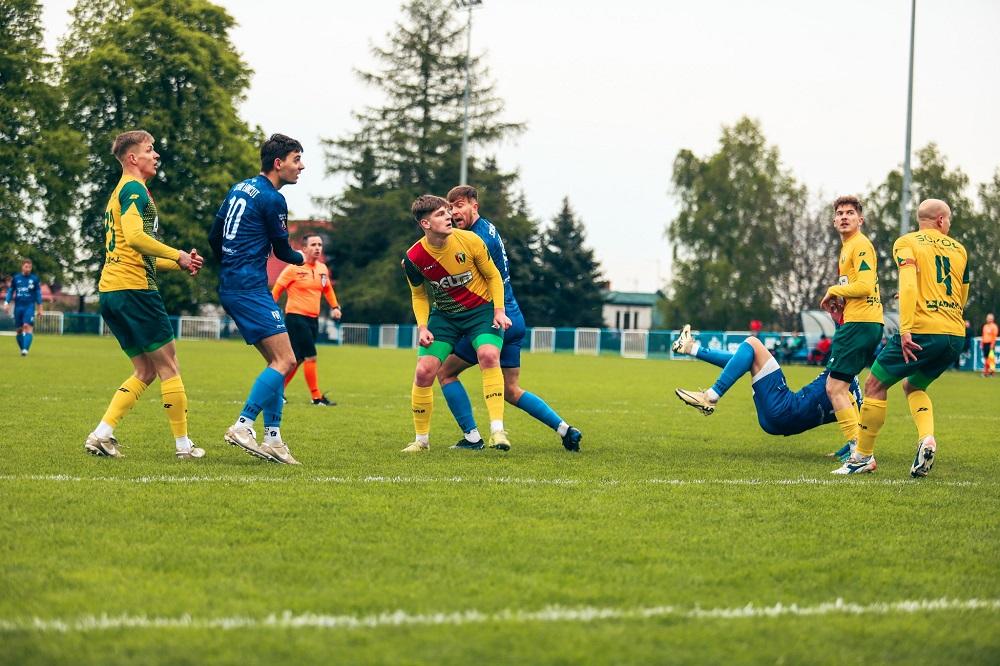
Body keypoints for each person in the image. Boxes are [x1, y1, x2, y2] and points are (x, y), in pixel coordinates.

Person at [85, 130, 205, 460]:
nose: (156, 155)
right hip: (135, 290)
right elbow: (137, 238)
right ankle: (183, 447)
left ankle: (101, 434)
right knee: (170, 367)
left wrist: (177, 263)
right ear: (132, 158)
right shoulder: (135, 189)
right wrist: (178, 253)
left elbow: (135, 250)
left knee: (146, 371)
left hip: (112, 292)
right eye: (150, 150)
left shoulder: (119, 193)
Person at [436, 185, 582, 452]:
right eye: (450, 207)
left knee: (445, 372)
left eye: (459, 206)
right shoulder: (486, 229)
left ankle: (472, 438)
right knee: (511, 390)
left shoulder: (476, 240)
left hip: (494, 319)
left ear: (474, 206)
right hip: (514, 316)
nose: (454, 212)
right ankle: (566, 430)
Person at [833, 199, 969, 476]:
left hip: (921, 330)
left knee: (874, 384)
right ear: (942, 221)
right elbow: (960, 294)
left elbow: (908, 286)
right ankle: (927, 439)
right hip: (955, 333)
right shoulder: (959, 250)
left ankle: (862, 457)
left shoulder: (906, 242)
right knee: (914, 386)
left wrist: (906, 329)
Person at [211, 133, 306, 465]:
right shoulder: (272, 198)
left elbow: (214, 234)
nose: (301, 166)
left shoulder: (240, 187)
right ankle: (243, 424)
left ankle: (274, 439)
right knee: (287, 361)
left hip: (233, 283)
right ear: (278, 164)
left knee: (277, 364)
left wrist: (229, 265)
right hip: (249, 286)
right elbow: (282, 250)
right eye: (297, 160)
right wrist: (300, 258)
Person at [400, 194, 511, 453]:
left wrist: (498, 310)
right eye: (440, 214)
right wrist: (423, 327)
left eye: (448, 211)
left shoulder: (471, 240)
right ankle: (421, 441)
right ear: (425, 224)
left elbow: (493, 275)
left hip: (481, 311)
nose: (449, 216)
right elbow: (418, 295)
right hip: (445, 317)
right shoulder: (414, 257)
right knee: (423, 371)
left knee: (488, 354)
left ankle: (497, 430)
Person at [672, 325, 861, 442]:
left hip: (784, 409)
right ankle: (690, 348)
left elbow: (847, 329)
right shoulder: (852, 392)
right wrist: (849, 451)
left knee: (753, 344)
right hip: (782, 420)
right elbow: (858, 426)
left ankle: (711, 396)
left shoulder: (842, 374)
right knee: (749, 358)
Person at [819, 195, 883, 465]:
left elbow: (866, 286)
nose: (844, 216)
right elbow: (856, 287)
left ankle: (859, 450)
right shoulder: (847, 248)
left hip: (862, 324)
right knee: (840, 386)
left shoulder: (860, 245)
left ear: (860, 219)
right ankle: (855, 445)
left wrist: (834, 290)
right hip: (859, 321)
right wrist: (841, 304)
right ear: (834, 220)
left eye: (850, 213)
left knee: (834, 387)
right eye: (840, 213)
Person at [272, 233, 342, 405]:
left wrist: (335, 307)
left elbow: (327, 290)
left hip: (313, 319)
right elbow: (276, 291)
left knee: (297, 359)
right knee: (311, 356)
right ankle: (316, 397)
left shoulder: (322, 269)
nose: (317, 247)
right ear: (304, 249)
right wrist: (268, 312)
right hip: (296, 318)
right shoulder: (293, 268)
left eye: (319, 244)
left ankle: (277, 393)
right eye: (313, 245)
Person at [4, 259, 43, 356]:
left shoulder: (34, 279)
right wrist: (6, 302)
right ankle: (23, 349)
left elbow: (38, 294)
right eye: (26, 267)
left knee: (27, 326)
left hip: (29, 306)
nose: (28, 269)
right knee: (19, 330)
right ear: (22, 267)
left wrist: (40, 308)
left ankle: (25, 350)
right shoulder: (16, 278)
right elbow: (10, 291)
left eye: (30, 267)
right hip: (18, 307)